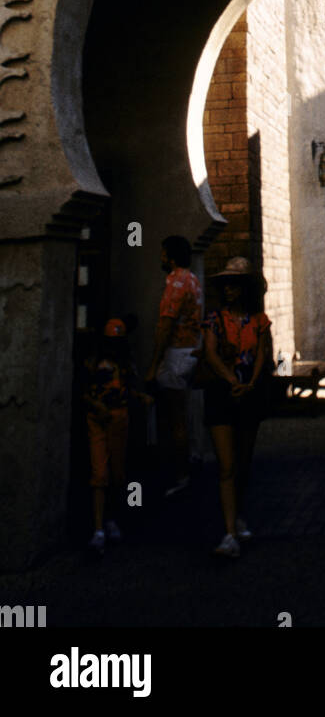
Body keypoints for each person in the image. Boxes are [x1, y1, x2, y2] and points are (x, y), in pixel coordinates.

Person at [202, 256, 271, 559]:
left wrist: (251, 382)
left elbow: (262, 355)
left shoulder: (258, 320)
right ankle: (229, 532)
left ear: (245, 289)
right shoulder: (214, 319)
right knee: (227, 465)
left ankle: (237, 515)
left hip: (249, 396)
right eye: (226, 285)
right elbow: (211, 354)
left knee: (242, 462)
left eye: (235, 284)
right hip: (221, 394)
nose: (229, 289)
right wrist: (232, 379)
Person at [83, 318, 152, 555]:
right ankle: (99, 527)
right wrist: (95, 405)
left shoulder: (125, 365)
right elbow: (82, 391)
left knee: (119, 472)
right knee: (100, 473)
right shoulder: (93, 363)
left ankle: (113, 518)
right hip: (98, 419)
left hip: (119, 417)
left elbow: (127, 389)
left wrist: (140, 398)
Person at [146, 235, 203, 497]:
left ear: (170, 256)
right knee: (184, 414)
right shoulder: (193, 280)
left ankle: (180, 475)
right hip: (190, 352)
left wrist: (154, 363)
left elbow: (166, 325)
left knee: (175, 418)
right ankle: (189, 462)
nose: (160, 257)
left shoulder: (176, 283)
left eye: (163, 252)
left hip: (176, 354)